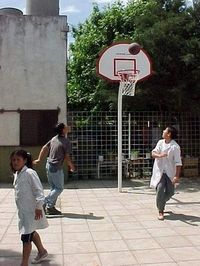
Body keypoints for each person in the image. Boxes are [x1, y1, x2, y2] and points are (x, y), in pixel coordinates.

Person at [11, 149, 48, 266]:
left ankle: (24, 263)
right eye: (13, 160)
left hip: (31, 210)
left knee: (26, 237)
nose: (15, 162)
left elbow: (39, 191)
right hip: (23, 211)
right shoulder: (17, 174)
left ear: (25, 160)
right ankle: (42, 251)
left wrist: (38, 207)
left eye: (18, 160)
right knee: (30, 232)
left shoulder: (29, 173)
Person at [33, 122, 75, 215]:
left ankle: (50, 207)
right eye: (65, 127)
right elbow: (67, 156)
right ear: (63, 130)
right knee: (59, 188)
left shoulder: (53, 139)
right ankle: (44, 202)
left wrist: (39, 159)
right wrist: (71, 165)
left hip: (48, 165)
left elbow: (44, 147)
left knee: (54, 188)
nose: (67, 128)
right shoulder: (66, 142)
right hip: (56, 167)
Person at [150, 126, 182, 220]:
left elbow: (178, 163)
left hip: (169, 172)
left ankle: (161, 202)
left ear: (169, 134)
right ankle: (160, 210)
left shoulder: (175, 147)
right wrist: (160, 155)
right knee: (159, 189)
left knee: (170, 192)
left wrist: (176, 176)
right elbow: (153, 153)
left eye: (165, 130)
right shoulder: (160, 143)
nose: (163, 131)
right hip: (160, 171)